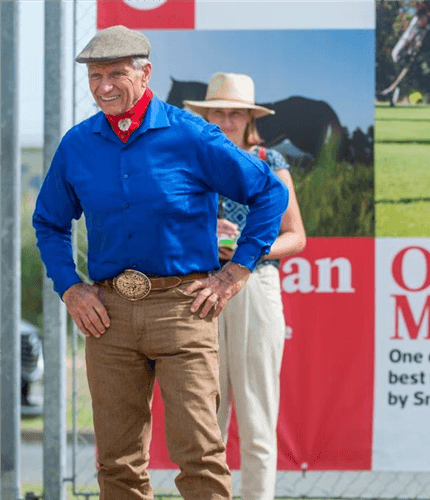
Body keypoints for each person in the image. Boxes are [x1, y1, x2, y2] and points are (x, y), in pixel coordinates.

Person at [32, 26, 289, 500]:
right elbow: (49, 223)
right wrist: (70, 286)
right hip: (107, 315)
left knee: (199, 454)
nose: (103, 86)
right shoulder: (77, 145)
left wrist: (236, 273)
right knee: (117, 460)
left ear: (145, 73)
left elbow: (270, 194)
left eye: (116, 74)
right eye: (94, 76)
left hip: (183, 309)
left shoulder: (192, 135)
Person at [184, 73, 306, 500]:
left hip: (255, 282)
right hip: (199, 285)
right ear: (205, 115)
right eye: (218, 110)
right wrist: (203, 234)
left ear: (250, 117)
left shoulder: (269, 160)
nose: (227, 118)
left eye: (236, 111)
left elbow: (297, 236)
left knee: (257, 417)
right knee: (205, 417)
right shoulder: (190, 160)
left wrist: (248, 246)